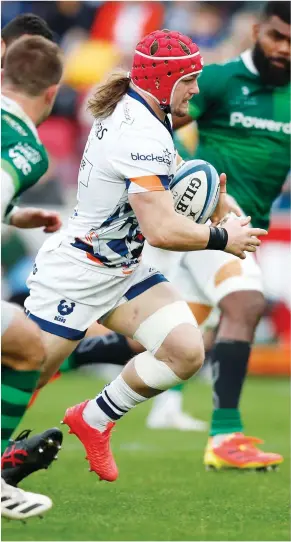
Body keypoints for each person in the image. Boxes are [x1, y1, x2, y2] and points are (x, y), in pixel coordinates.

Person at [23, 28, 266, 482]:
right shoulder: (140, 130)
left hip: (123, 269)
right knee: (25, 379)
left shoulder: (149, 112)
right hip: (79, 271)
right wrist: (221, 237)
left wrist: (220, 201)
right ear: (164, 80)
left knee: (184, 351)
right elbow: (161, 230)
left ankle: (93, 419)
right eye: (189, 80)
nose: (196, 88)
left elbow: (168, 181)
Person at [145, 1, 290, 470]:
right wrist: (175, 182)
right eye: (276, 36)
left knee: (176, 341)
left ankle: (53, 356)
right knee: (246, 304)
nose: (283, 49)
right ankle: (226, 436)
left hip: (249, 229)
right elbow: (159, 125)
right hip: (211, 221)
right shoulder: (223, 80)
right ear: (256, 30)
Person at [1, 34, 63, 519]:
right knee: (27, 349)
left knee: (22, 341)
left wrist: (14, 215)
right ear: (51, 93)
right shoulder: (26, 146)